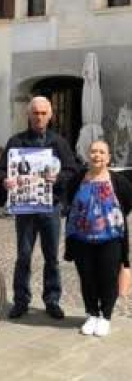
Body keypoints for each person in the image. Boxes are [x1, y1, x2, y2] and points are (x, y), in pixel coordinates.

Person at [2, 95, 79, 320]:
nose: (39, 117)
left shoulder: (59, 142)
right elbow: (0, 169)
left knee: (52, 257)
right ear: (28, 115)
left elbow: (72, 170)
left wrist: (58, 177)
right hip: (25, 208)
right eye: (35, 113)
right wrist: (5, 180)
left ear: (50, 115)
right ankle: (21, 300)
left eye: (43, 113)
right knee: (23, 256)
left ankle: (52, 300)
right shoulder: (16, 141)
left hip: (50, 207)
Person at [60, 139, 132, 336]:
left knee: (108, 278)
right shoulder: (78, 179)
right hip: (82, 239)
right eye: (93, 152)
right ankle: (92, 313)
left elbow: (126, 204)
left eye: (101, 152)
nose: (97, 155)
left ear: (108, 158)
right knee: (87, 277)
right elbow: (68, 199)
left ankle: (105, 316)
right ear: (88, 155)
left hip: (111, 240)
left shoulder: (119, 182)